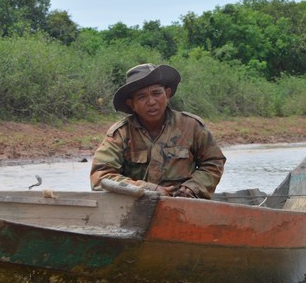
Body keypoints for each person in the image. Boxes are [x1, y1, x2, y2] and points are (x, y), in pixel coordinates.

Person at [90, 63, 226, 199]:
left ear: (167, 95)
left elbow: (214, 162)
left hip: (184, 207)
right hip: (135, 207)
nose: (151, 102)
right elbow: (100, 176)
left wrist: (193, 187)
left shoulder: (191, 126)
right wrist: (147, 189)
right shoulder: (121, 133)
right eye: (142, 97)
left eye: (156, 93)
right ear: (132, 104)